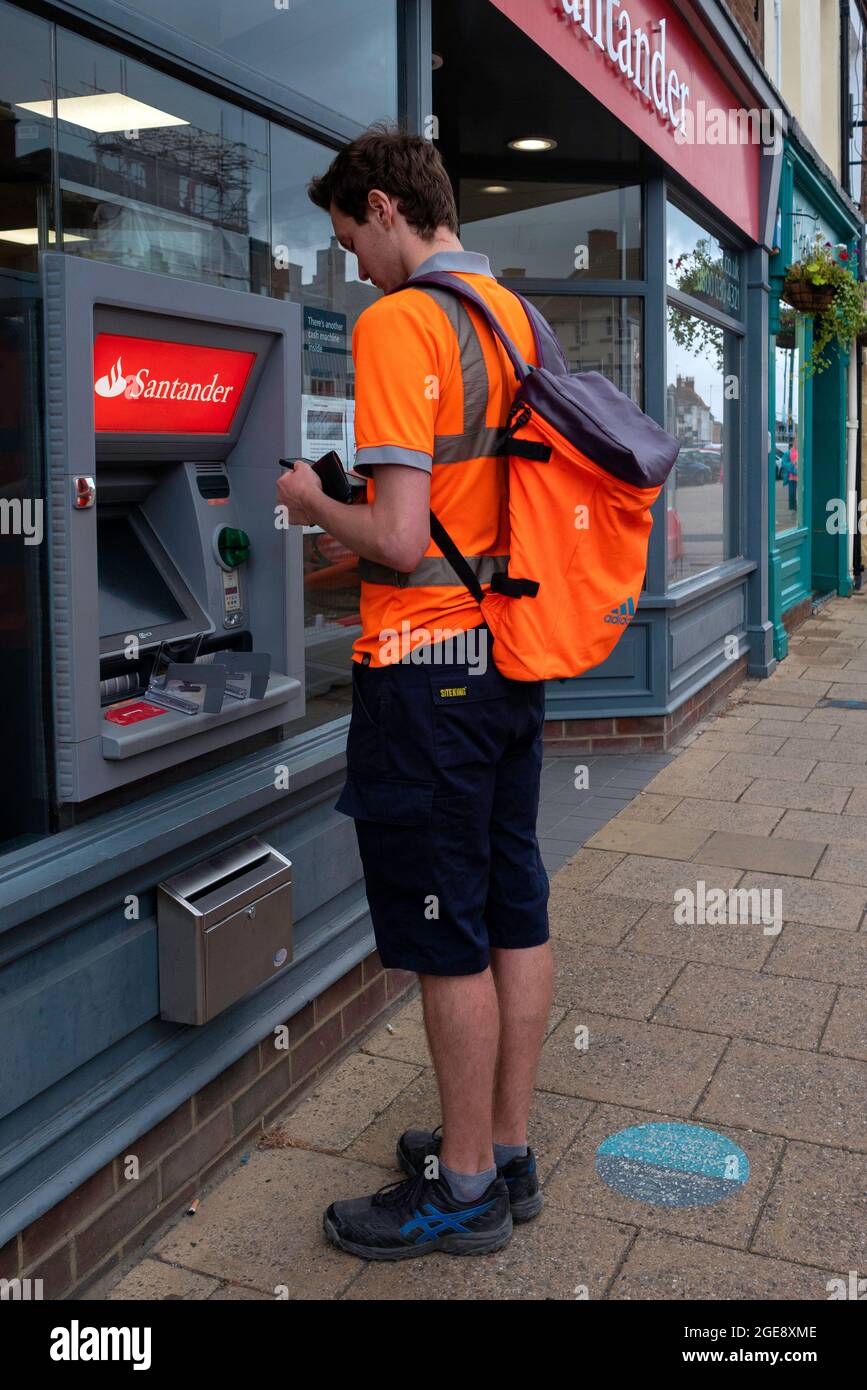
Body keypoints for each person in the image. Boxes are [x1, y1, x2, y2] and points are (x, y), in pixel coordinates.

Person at [276, 123, 554, 1261]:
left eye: (350, 238)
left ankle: (465, 1190)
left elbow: (396, 537)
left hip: (426, 671)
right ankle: (508, 1145)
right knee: (512, 904)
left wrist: (306, 500)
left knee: (444, 934)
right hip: (509, 661)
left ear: (385, 208)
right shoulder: (515, 317)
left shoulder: (401, 323)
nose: (353, 265)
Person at [781, 436, 798, 513]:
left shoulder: (803, 452)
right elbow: (783, 463)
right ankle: (792, 508)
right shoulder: (788, 453)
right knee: (792, 494)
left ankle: (798, 507)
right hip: (792, 477)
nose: (797, 443)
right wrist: (792, 464)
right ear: (794, 443)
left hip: (801, 477)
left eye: (798, 442)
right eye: (796, 442)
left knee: (800, 494)